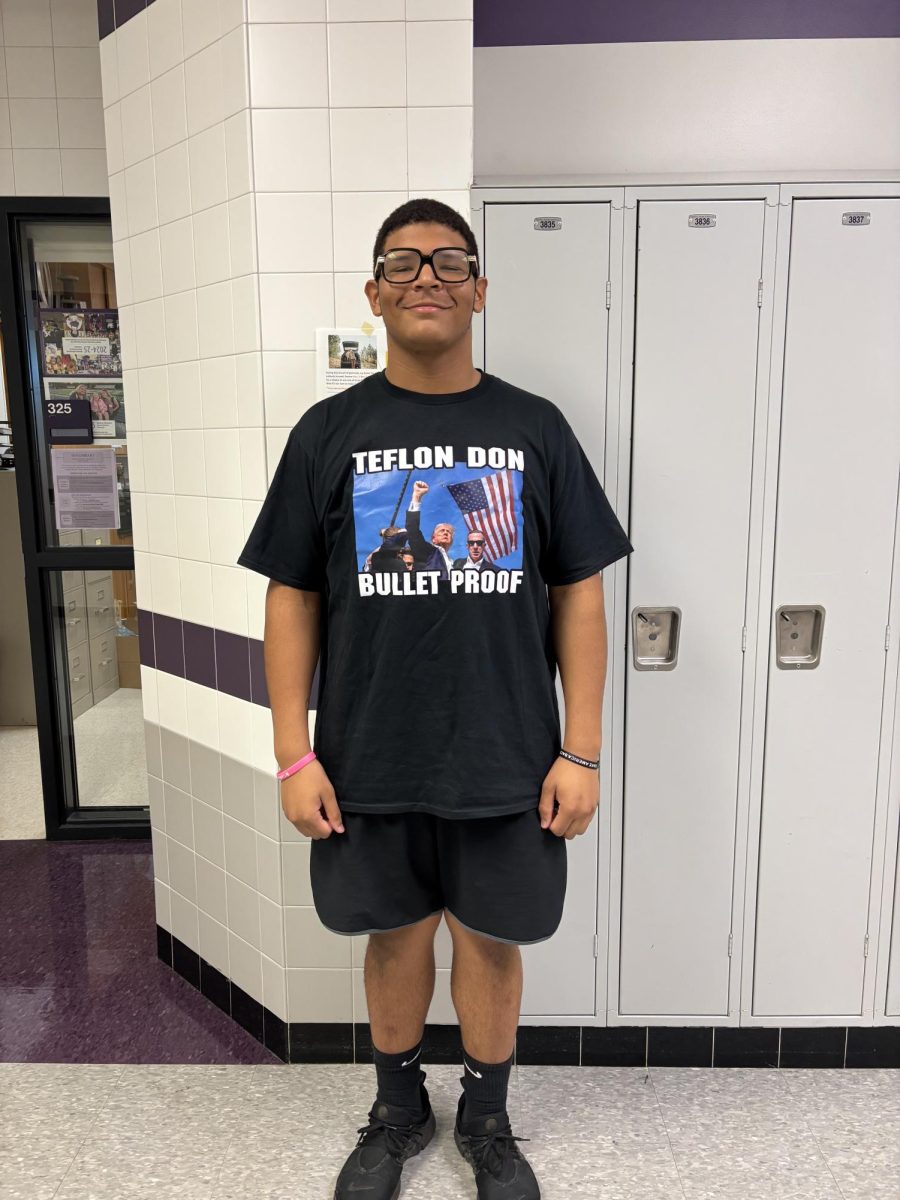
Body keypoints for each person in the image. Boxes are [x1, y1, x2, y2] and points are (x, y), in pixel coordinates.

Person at [237, 198, 634, 1200]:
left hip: (507, 757)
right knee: (395, 938)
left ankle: (489, 1121)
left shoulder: (534, 428)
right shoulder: (330, 432)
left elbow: (579, 595)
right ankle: (399, 1109)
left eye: (451, 262)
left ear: (480, 291)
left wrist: (580, 751)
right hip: (370, 760)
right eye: (403, 263)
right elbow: (293, 601)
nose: (428, 277)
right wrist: (295, 752)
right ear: (373, 294)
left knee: (494, 944)